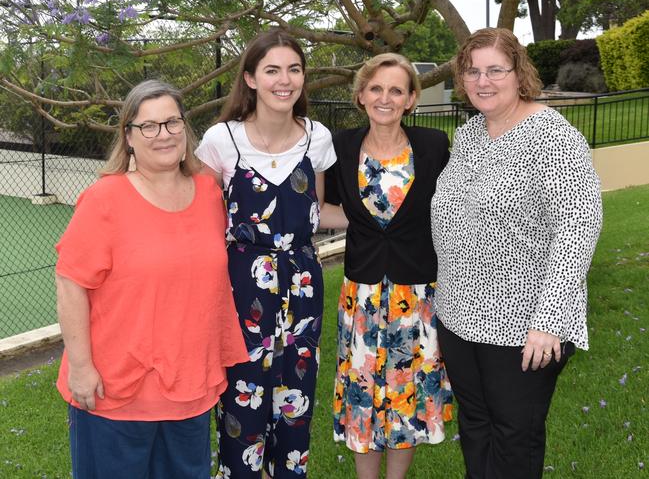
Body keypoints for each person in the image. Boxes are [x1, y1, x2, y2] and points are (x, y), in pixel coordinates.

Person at [430, 28, 603, 479]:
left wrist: (549, 322)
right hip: (459, 317)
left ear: (519, 73)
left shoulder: (552, 137)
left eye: (495, 70)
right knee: (476, 428)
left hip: (522, 326)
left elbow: (578, 228)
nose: (482, 81)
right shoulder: (469, 135)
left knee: (513, 437)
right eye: (472, 71)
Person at [55, 79, 249, 479]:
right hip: (115, 393)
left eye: (172, 122)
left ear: (185, 129)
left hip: (190, 391)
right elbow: (71, 282)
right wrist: (80, 367)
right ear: (128, 137)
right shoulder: (104, 199)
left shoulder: (209, 193)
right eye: (149, 126)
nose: (163, 135)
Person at [196, 30, 337, 478]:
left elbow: (316, 212)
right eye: (272, 70)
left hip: (302, 286)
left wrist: (391, 220)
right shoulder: (223, 140)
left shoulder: (317, 138)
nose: (285, 80)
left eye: (294, 69)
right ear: (251, 78)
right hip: (242, 289)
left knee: (295, 407)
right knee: (243, 409)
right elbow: (199, 216)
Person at [324, 53, 453, 479]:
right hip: (361, 296)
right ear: (361, 95)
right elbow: (322, 208)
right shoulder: (340, 146)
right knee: (363, 394)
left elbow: (449, 210)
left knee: (406, 395)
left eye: (396, 90)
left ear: (411, 99)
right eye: (376, 88)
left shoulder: (434, 146)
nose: (385, 97)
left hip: (415, 296)